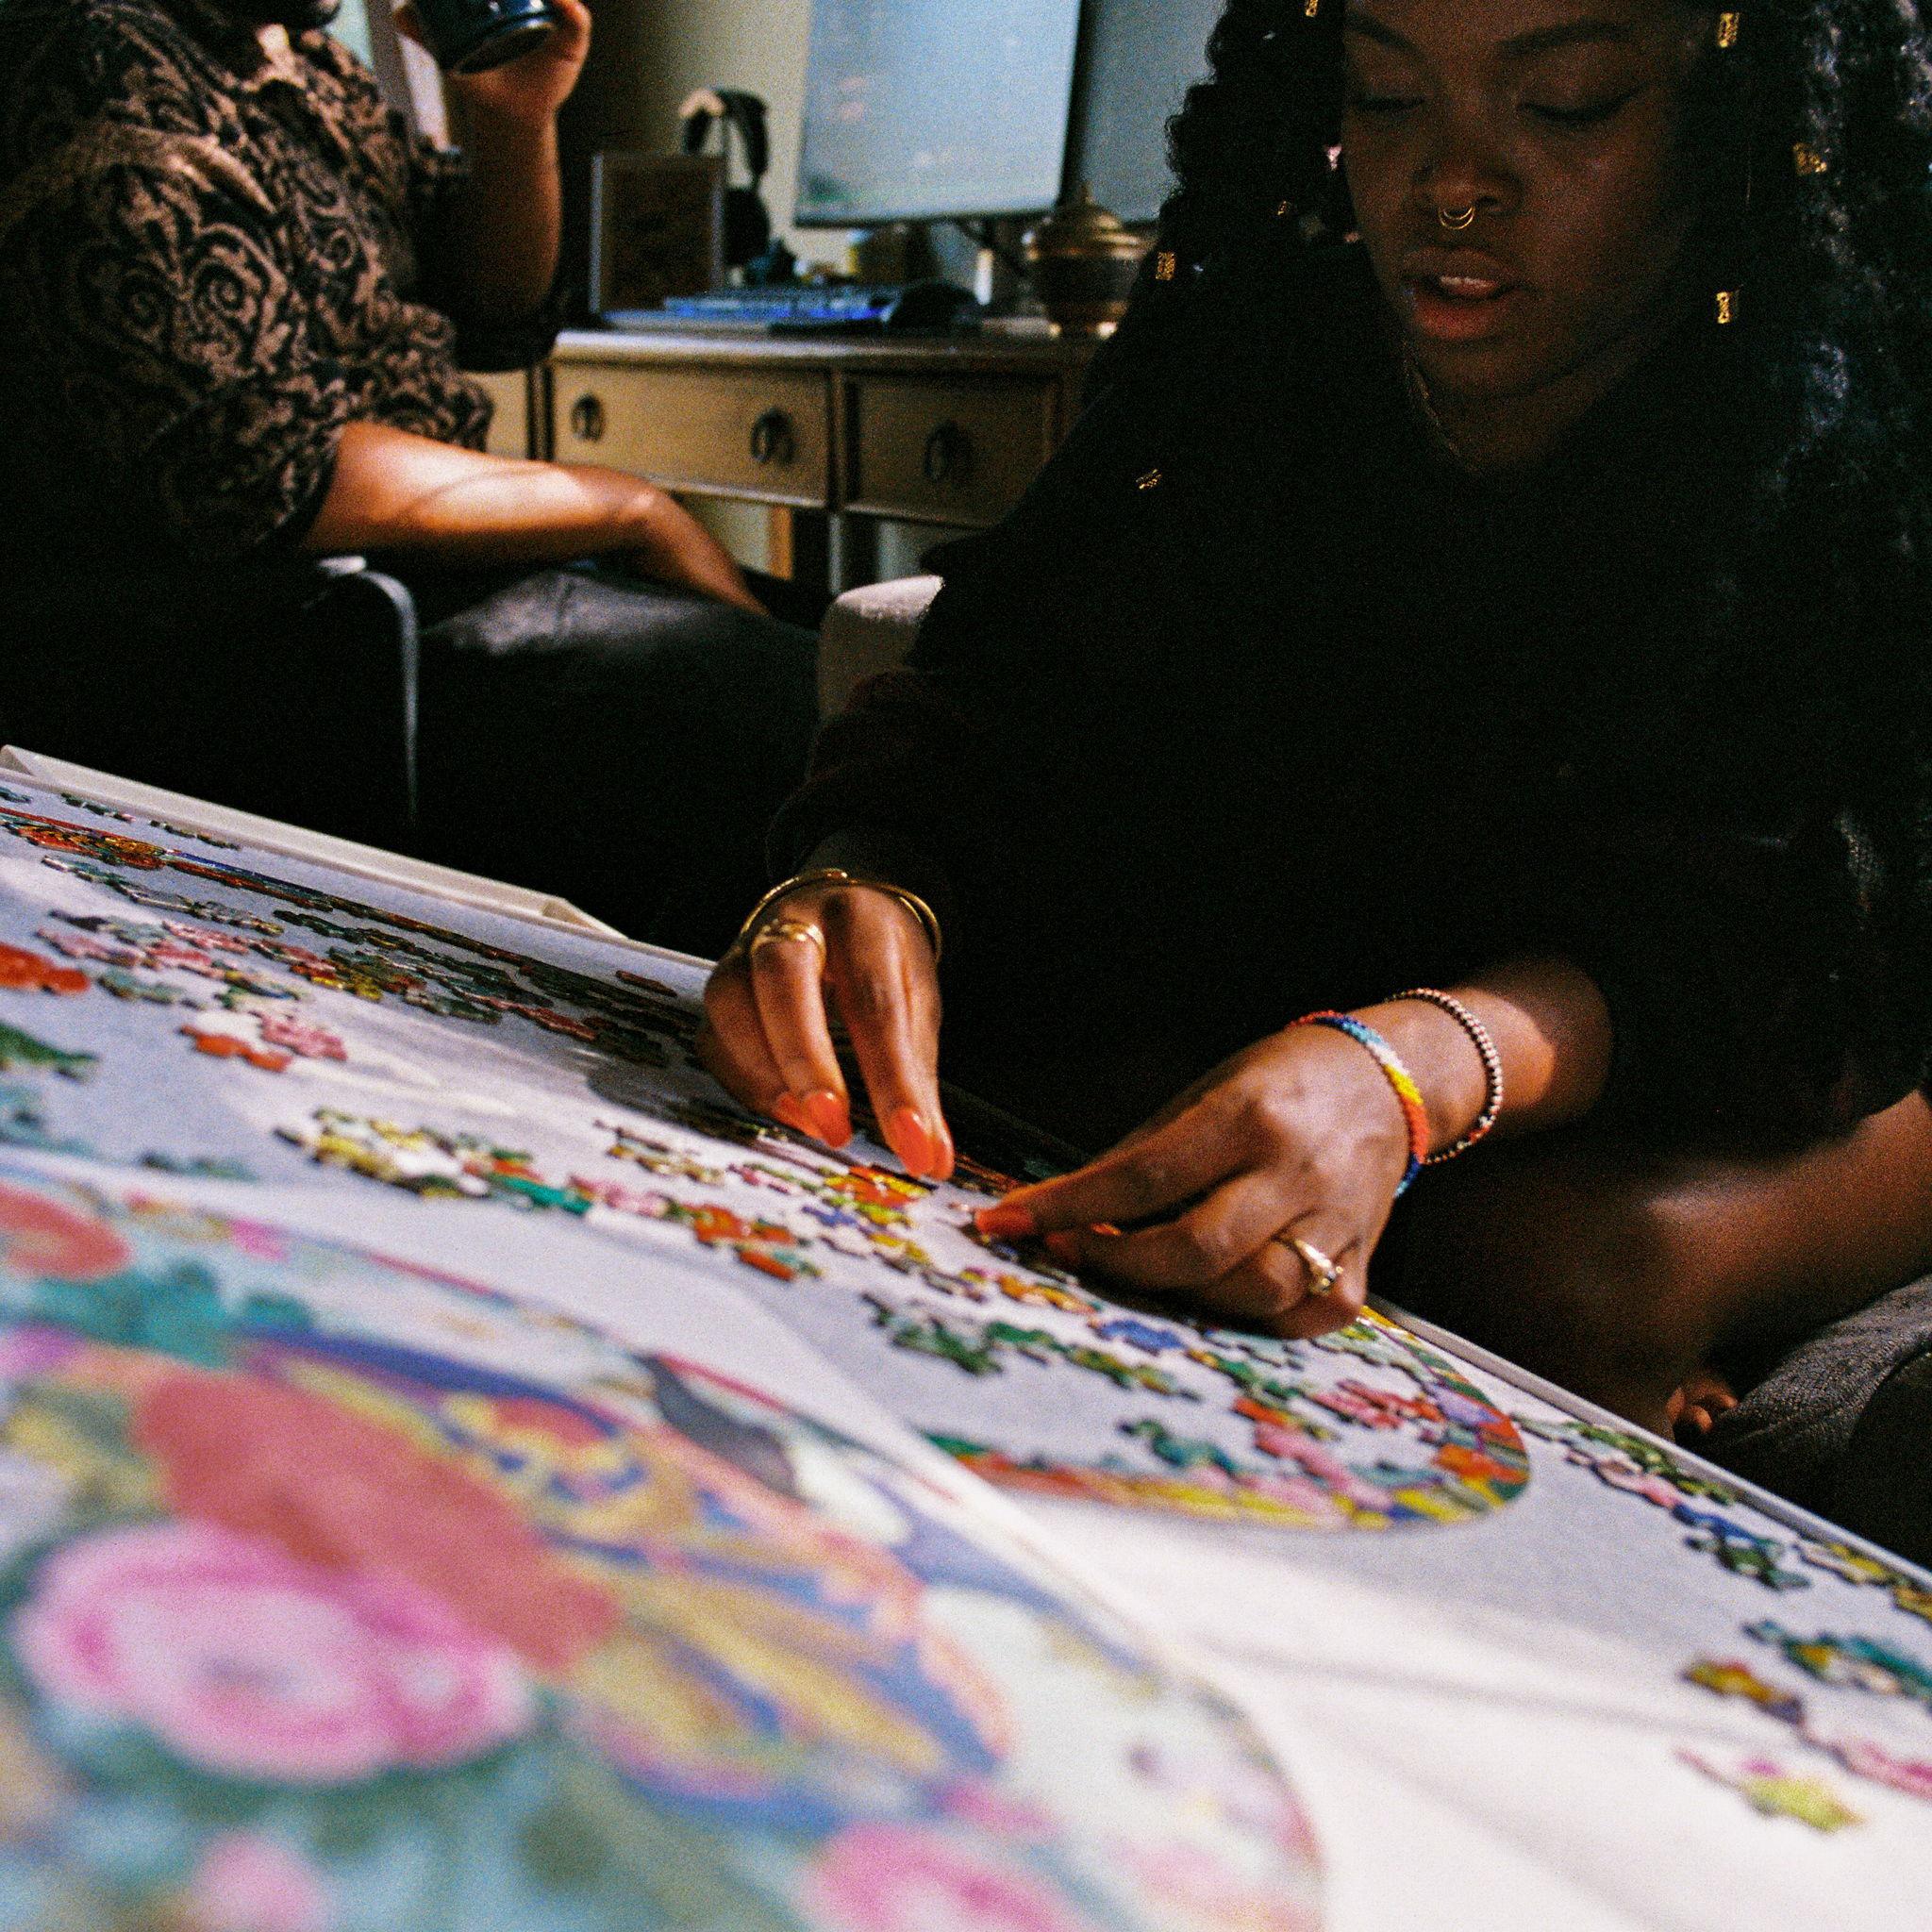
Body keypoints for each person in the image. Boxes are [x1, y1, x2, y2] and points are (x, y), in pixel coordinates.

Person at [702, 0, 1932, 1443]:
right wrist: (862, 873)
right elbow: (1003, 682)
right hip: (1435, 983)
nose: (1451, 180)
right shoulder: (1264, 351)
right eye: (1389, 96)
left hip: (1810, 1005)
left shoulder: (1840, 403)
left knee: (1561, 1272)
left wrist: (1409, 1073)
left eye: (1571, 104)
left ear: (1727, 125)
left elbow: (1830, 925)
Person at [0, 0, 817, 951]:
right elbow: (257, 462)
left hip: (435, 574)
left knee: (883, 666)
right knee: (811, 719)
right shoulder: (98, 59)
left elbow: (496, 308)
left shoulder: (307, 61)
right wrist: (631, 509)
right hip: (304, 633)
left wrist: (512, 120)